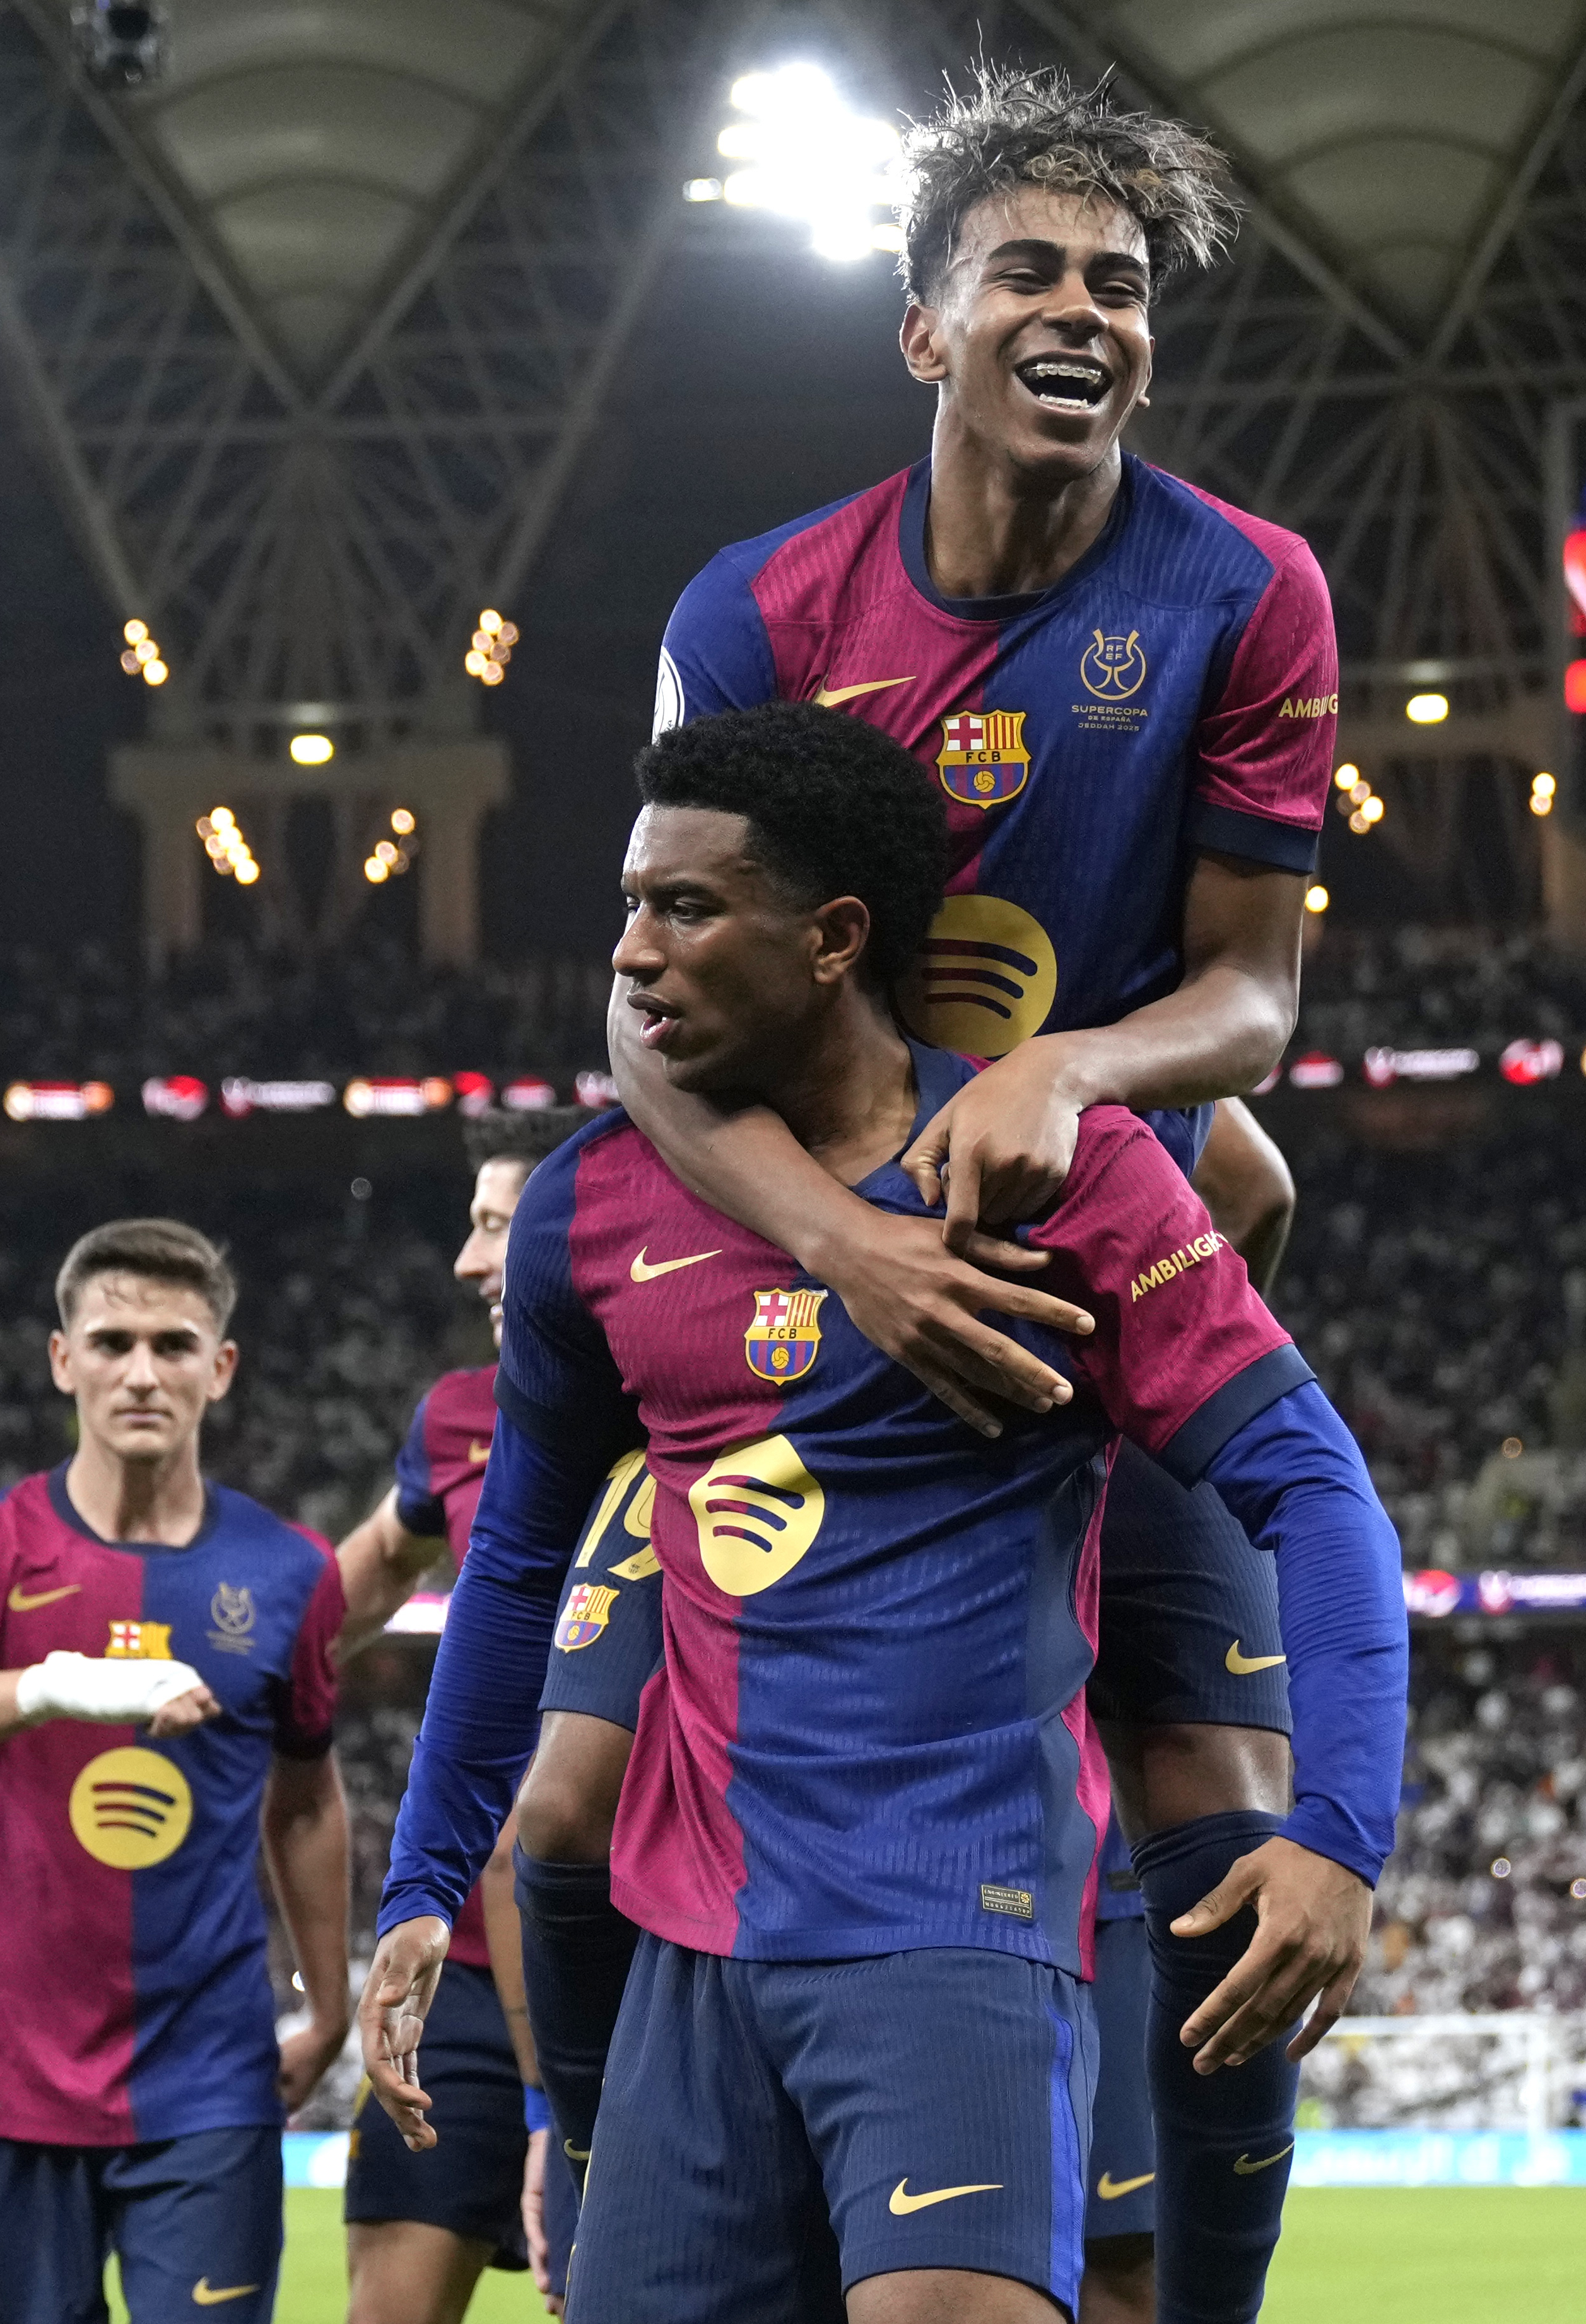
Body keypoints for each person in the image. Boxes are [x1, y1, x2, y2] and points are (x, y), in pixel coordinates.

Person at [630, 66, 1390, 2324]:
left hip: (1100, 1255)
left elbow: (1251, 992)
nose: (1083, 311)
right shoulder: (761, 603)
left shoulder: (1245, 588)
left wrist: (1081, 1070)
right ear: (920, 326)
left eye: (1122, 284)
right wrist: (844, 1235)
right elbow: (649, 1008)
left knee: (1220, 1794)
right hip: (795, 1262)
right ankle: (601, 2172)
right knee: (587, 1784)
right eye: (1029, 271)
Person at [363, 703, 1405, 2324]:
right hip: (690, 1959)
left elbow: (1313, 1488)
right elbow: (512, 1564)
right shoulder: (588, 1204)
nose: (631, 957)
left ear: (835, 936)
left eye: (686, 909)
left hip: (955, 1934)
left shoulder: (1065, 1171)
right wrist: (423, 1880)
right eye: (628, 906)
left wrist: (1338, 1831)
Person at [0, 1219, 353, 2324]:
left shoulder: (290, 1571)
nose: (140, 1370)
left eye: (173, 1343)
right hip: (6, 2080)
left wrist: (326, 2000)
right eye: (111, 1339)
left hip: (208, 2084)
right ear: (61, 1358)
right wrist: (56, 1682)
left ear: (219, 1369)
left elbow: (307, 1796)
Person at [327, 1115, 591, 2323]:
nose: (469, 1261)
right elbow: (371, 1570)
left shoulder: (693, 1409)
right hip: (466, 1977)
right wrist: (233, 1670)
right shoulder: (456, 1419)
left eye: (498, 1226)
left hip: (629, 1944)